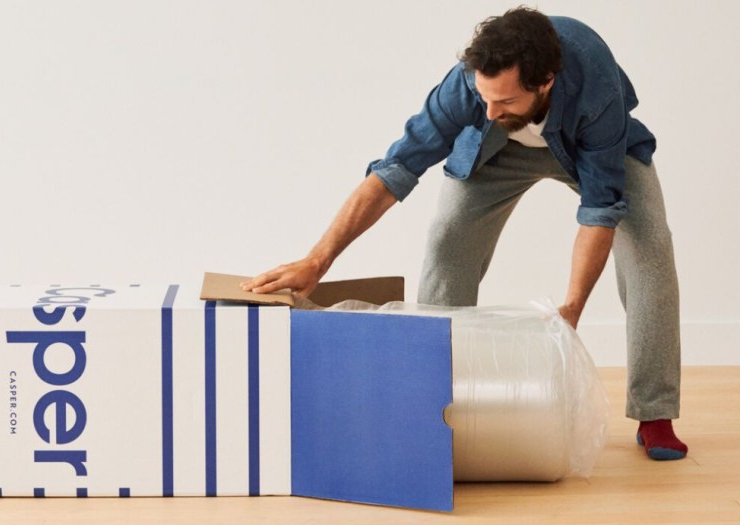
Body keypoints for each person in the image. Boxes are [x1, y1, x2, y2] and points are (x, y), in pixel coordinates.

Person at [241, 7, 687, 461]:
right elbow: (395, 168)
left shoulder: (596, 87)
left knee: (650, 247)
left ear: (545, 82)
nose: (490, 111)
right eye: (483, 97)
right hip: (498, 154)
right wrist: (318, 260)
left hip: (591, 146)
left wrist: (572, 308)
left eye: (506, 101)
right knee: (447, 238)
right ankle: (430, 395)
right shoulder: (466, 88)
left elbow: (599, 209)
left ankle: (655, 414)